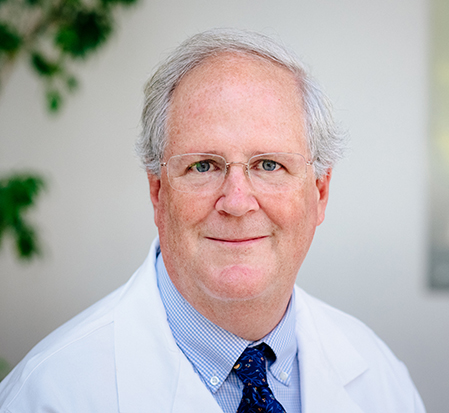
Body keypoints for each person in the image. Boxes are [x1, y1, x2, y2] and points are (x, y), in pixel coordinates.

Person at [0, 28, 425, 412]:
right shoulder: (49, 394)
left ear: (319, 192)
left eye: (269, 165)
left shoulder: (381, 379)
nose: (237, 202)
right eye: (204, 166)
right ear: (158, 191)